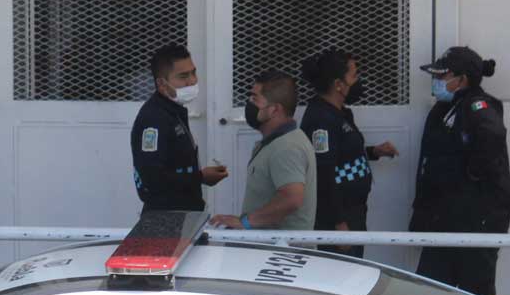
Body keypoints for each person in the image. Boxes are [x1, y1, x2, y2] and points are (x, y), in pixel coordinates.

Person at [411, 46, 510, 295]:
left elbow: (490, 145)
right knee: (428, 290)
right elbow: (430, 164)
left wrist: (468, 176)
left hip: (477, 220)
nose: (437, 82)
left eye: (442, 76)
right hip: (446, 218)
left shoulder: (478, 106)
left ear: (462, 79)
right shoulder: (444, 109)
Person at [299, 49, 399, 256]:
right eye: (354, 75)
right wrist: (339, 223)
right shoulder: (321, 119)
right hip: (338, 217)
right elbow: (324, 172)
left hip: (353, 210)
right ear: (338, 85)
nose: (358, 80)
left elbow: (342, 153)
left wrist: (373, 152)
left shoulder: (340, 113)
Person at [211, 70, 317, 230]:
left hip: (282, 251)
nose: (249, 103)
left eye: (255, 98)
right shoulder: (276, 142)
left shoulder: (287, 147)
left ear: (274, 109)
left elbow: (292, 198)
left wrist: (245, 223)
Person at [130, 44, 229, 211]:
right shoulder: (153, 119)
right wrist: (200, 177)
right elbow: (153, 178)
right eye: (183, 76)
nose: (192, 81)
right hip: (166, 217)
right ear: (162, 84)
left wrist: (200, 177)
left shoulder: (173, 111)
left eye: (193, 72)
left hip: (185, 212)